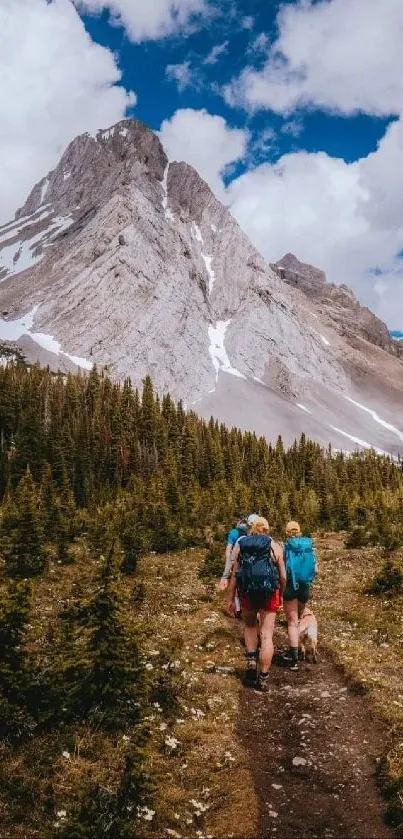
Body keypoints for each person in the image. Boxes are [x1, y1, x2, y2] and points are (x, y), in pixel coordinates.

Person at [226, 516, 286, 691]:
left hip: (247, 593)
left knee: (250, 626)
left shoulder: (242, 545)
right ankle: (264, 678)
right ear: (267, 529)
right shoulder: (275, 546)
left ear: (251, 528)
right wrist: (281, 594)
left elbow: (235, 575)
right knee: (266, 635)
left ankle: (252, 663)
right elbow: (283, 576)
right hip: (269, 593)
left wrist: (230, 599)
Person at [282, 521, 317, 671]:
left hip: (290, 586)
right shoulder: (308, 546)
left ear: (287, 532)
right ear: (300, 531)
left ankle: (294, 658)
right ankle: (299, 649)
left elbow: (281, 569)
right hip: (304, 587)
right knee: (299, 619)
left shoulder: (285, 547)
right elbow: (315, 568)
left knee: (292, 622)